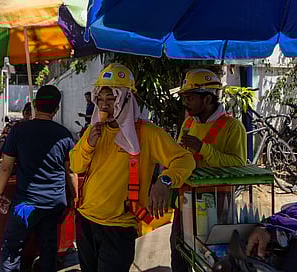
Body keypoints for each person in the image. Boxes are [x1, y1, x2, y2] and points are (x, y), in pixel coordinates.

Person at [70, 63, 196, 272]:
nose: (104, 106)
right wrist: (88, 144)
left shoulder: (148, 133)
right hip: (85, 221)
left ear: (127, 98)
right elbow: (76, 165)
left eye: (112, 99)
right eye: (100, 99)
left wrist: (165, 180)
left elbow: (184, 159)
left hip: (119, 228)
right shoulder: (93, 131)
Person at [171, 68, 247, 272]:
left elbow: (239, 165)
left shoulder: (233, 127)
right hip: (185, 200)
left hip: (217, 206)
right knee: (180, 255)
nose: (185, 102)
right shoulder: (188, 122)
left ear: (207, 99)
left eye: (190, 98)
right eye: (184, 97)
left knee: (215, 260)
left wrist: (203, 149)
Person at [0, 85, 76, 272]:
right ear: (56, 109)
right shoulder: (64, 134)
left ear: (34, 104)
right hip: (54, 204)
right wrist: (73, 197)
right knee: (48, 250)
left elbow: (6, 166)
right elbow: (70, 171)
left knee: (11, 247)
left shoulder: (18, 130)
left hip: (26, 204)